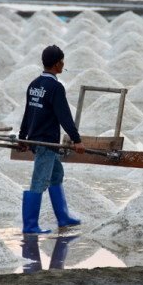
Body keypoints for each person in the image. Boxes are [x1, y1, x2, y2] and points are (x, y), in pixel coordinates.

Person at [18, 44, 85, 234]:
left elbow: (27, 114)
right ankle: (30, 226)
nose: (63, 64)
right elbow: (64, 116)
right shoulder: (55, 87)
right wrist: (76, 140)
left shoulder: (34, 84)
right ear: (57, 64)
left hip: (40, 140)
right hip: (46, 142)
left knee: (56, 176)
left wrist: (23, 137)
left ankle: (63, 217)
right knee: (39, 182)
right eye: (62, 61)